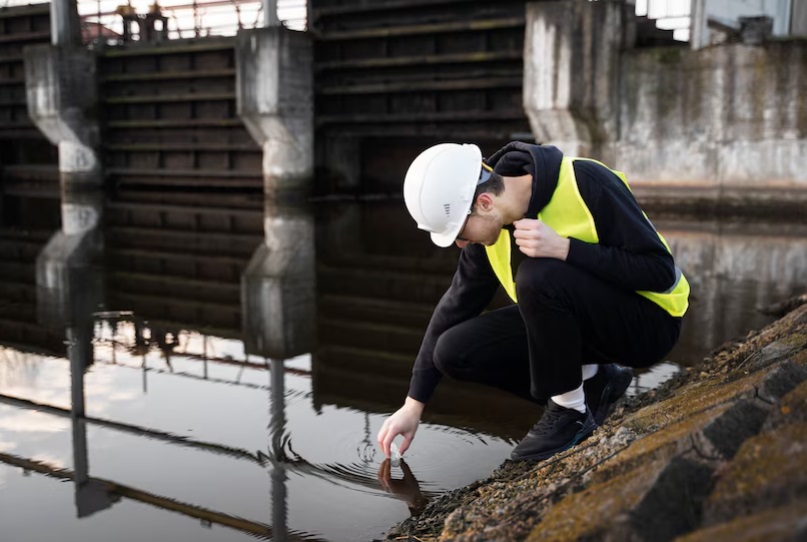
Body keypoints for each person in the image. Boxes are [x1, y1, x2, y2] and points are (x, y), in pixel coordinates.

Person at [376, 141, 689, 461]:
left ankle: (571, 415)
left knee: (537, 276)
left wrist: (566, 249)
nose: (459, 243)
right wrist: (413, 404)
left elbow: (659, 272)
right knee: (454, 351)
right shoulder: (490, 229)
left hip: (650, 325)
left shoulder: (586, 181)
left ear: (484, 202)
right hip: (591, 332)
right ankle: (595, 383)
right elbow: (456, 304)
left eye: (459, 231)